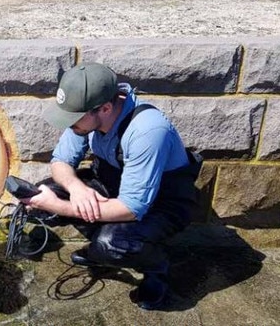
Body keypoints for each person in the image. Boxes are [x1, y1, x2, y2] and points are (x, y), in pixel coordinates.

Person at [21, 63, 201, 310]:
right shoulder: (85, 116)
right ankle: (101, 249)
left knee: (111, 243)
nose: (69, 124)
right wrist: (76, 189)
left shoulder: (147, 130)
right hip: (113, 184)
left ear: (104, 108)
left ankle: (156, 267)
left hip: (162, 202)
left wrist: (62, 206)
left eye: (73, 119)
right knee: (43, 199)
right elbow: (60, 162)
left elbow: (131, 208)